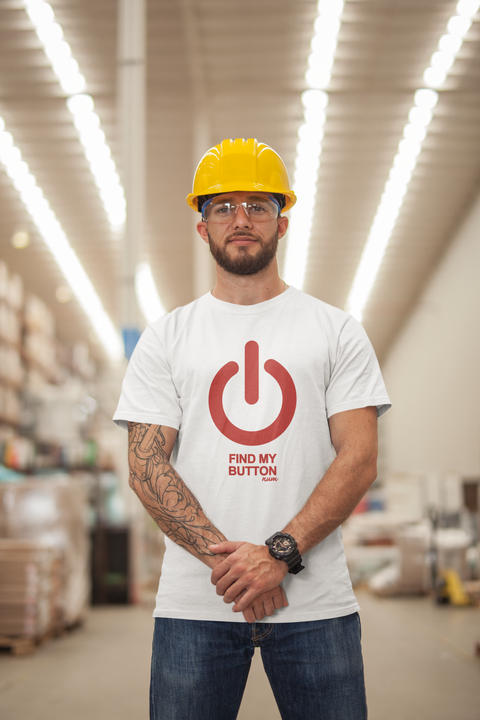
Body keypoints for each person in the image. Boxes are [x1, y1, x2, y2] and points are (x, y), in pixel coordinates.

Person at [114, 137, 391, 720]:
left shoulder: (336, 331)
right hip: (196, 608)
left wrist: (280, 554)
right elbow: (145, 466)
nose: (241, 220)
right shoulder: (167, 338)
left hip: (316, 608)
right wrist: (238, 569)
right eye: (222, 207)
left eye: (257, 206)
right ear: (203, 228)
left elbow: (359, 458)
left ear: (281, 224)